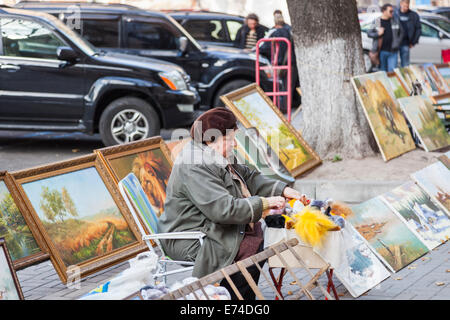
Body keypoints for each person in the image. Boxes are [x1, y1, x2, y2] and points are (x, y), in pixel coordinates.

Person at [157, 107, 307, 300]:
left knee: (256, 236)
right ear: (212, 140)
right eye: (231, 139)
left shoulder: (216, 154)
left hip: (210, 226)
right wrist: (265, 203)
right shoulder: (194, 164)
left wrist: (284, 191)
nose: (235, 144)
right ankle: (233, 297)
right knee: (250, 244)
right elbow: (223, 210)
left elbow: (249, 176)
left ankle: (235, 295)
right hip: (189, 235)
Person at [368, 4, 404, 72]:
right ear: (384, 11)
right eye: (390, 11)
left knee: (392, 72)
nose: (392, 13)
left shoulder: (395, 21)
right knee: (382, 72)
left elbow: (402, 32)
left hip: (393, 51)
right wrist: (378, 34)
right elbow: (369, 33)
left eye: (393, 11)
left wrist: (397, 43)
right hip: (381, 51)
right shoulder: (377, 21)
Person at [395, 0, 421, 67]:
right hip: (394, 43)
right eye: (404, 6)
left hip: (405, 43)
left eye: (407, 6)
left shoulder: (414, 15)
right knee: (393, 65)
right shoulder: (395, 14)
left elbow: (418, 29)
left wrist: (413, 42)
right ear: (401, 4)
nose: (406, 7)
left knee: (405, 65)